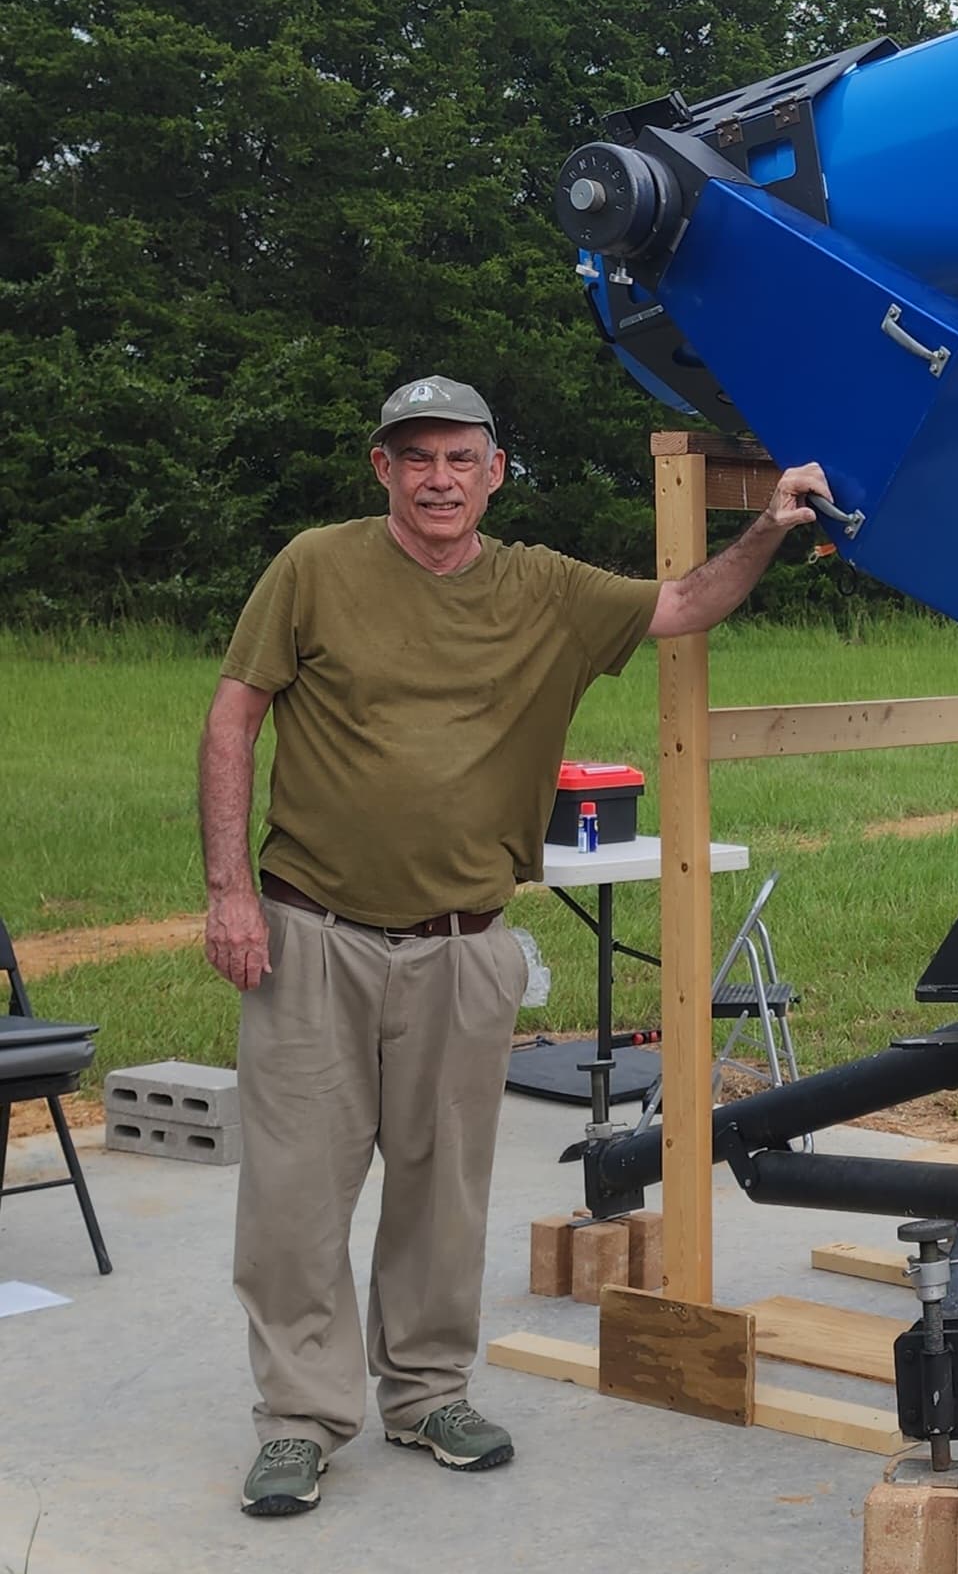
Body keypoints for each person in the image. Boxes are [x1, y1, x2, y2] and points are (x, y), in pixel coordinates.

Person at [198, 375, 831, 1517]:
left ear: (494, 473)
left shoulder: (543, 586)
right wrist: (228, 889)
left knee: (443, 1190)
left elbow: (684, 603)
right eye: (417, 457)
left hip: (464, 942)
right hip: (311, 930)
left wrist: (771, 527)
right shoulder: (314, 566)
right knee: (295, 1195)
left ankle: (428, 1392)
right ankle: (299, 1417)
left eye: (461, 458)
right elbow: (235, 711)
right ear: (381, 469)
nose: (439, 478)